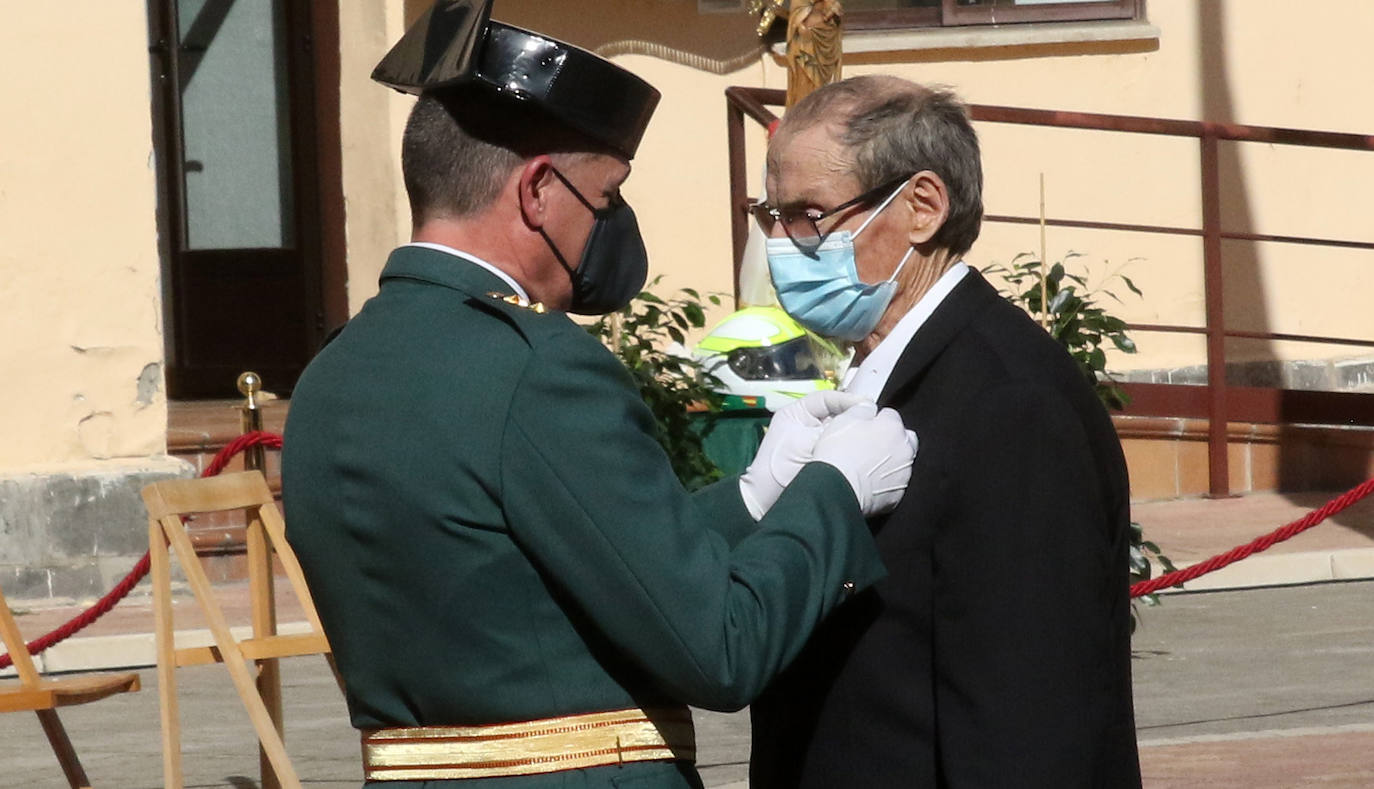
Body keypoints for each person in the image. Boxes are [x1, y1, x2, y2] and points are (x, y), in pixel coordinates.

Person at [280, 3, 918, 787]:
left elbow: (539, 574)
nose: (611, 224)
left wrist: (754, 497)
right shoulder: (539, 366)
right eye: (606, 197)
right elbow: (719, 650)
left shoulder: (331, 375)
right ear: (539, 191)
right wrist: (833, 492)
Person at [748, 75, 1142, 788]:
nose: (782, 243)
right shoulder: (880, 369)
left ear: (922, 207)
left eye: (809, 215)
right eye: (770, 215)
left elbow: (1028, 713)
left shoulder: (1009, 401)